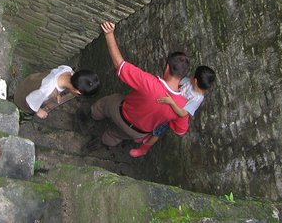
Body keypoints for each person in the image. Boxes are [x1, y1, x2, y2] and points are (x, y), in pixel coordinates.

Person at [82, 21, 190, 151]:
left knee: (107, 103)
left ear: (167, 68)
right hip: (137, 132)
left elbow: (120, 66)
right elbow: (180, 131)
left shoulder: (150, 83)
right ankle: (100, 143)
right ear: (183, 76)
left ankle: (90, 118)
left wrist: (109, 34)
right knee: (116, 135)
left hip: (120, 113)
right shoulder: (183, 106)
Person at [129, 65, 216, 157]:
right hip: (168, 105)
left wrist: (171, 102)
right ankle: (146, 134)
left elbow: (183, 113)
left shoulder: (197, 98)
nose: (191, 77)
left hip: (173, 114)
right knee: (155, 119)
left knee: (158, 131)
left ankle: (144, 149)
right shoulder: (189, 82)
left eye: (193, 76)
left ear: (195, 81)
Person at [13, 65, 100, 119]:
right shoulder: (47, 91)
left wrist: (57, 93)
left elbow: (53, 78)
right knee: (24, 113)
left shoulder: (67, 70)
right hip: (23, 98)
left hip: (31, 81)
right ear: (77, 92)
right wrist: (39, 111)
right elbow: (30, 101)